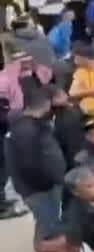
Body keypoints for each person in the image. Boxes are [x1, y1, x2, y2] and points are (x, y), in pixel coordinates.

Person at [5, 87, 65, 237]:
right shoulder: (27, 130)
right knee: (51, 227)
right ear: (45, 104)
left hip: (39, 188)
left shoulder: (26, 125)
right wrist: (50, 182)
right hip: (40, 191)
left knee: (47, 223)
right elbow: (29, 165)